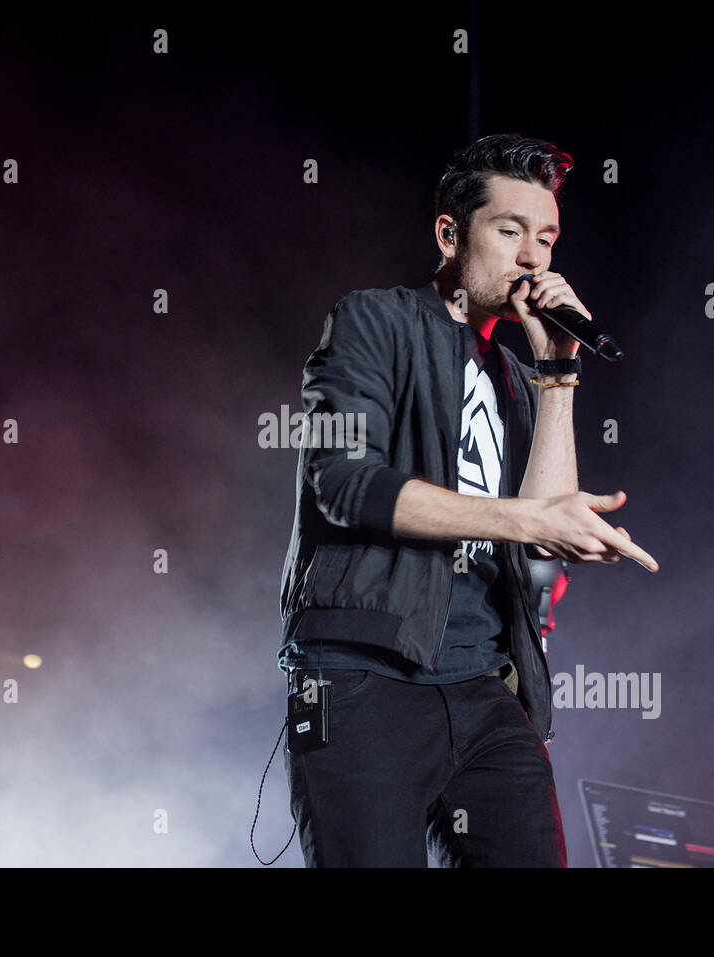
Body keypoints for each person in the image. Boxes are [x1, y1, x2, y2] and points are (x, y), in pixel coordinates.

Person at [277, 133, 659, 867]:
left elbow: (542, 536)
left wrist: (558, 375)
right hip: (363, 675)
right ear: (450, 233)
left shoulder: (517, 377)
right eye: (510, 230)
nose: (533, 257)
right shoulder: (372, 322)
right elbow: (343, 480)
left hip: (486, 688)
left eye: (545, 237)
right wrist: (527, 518)